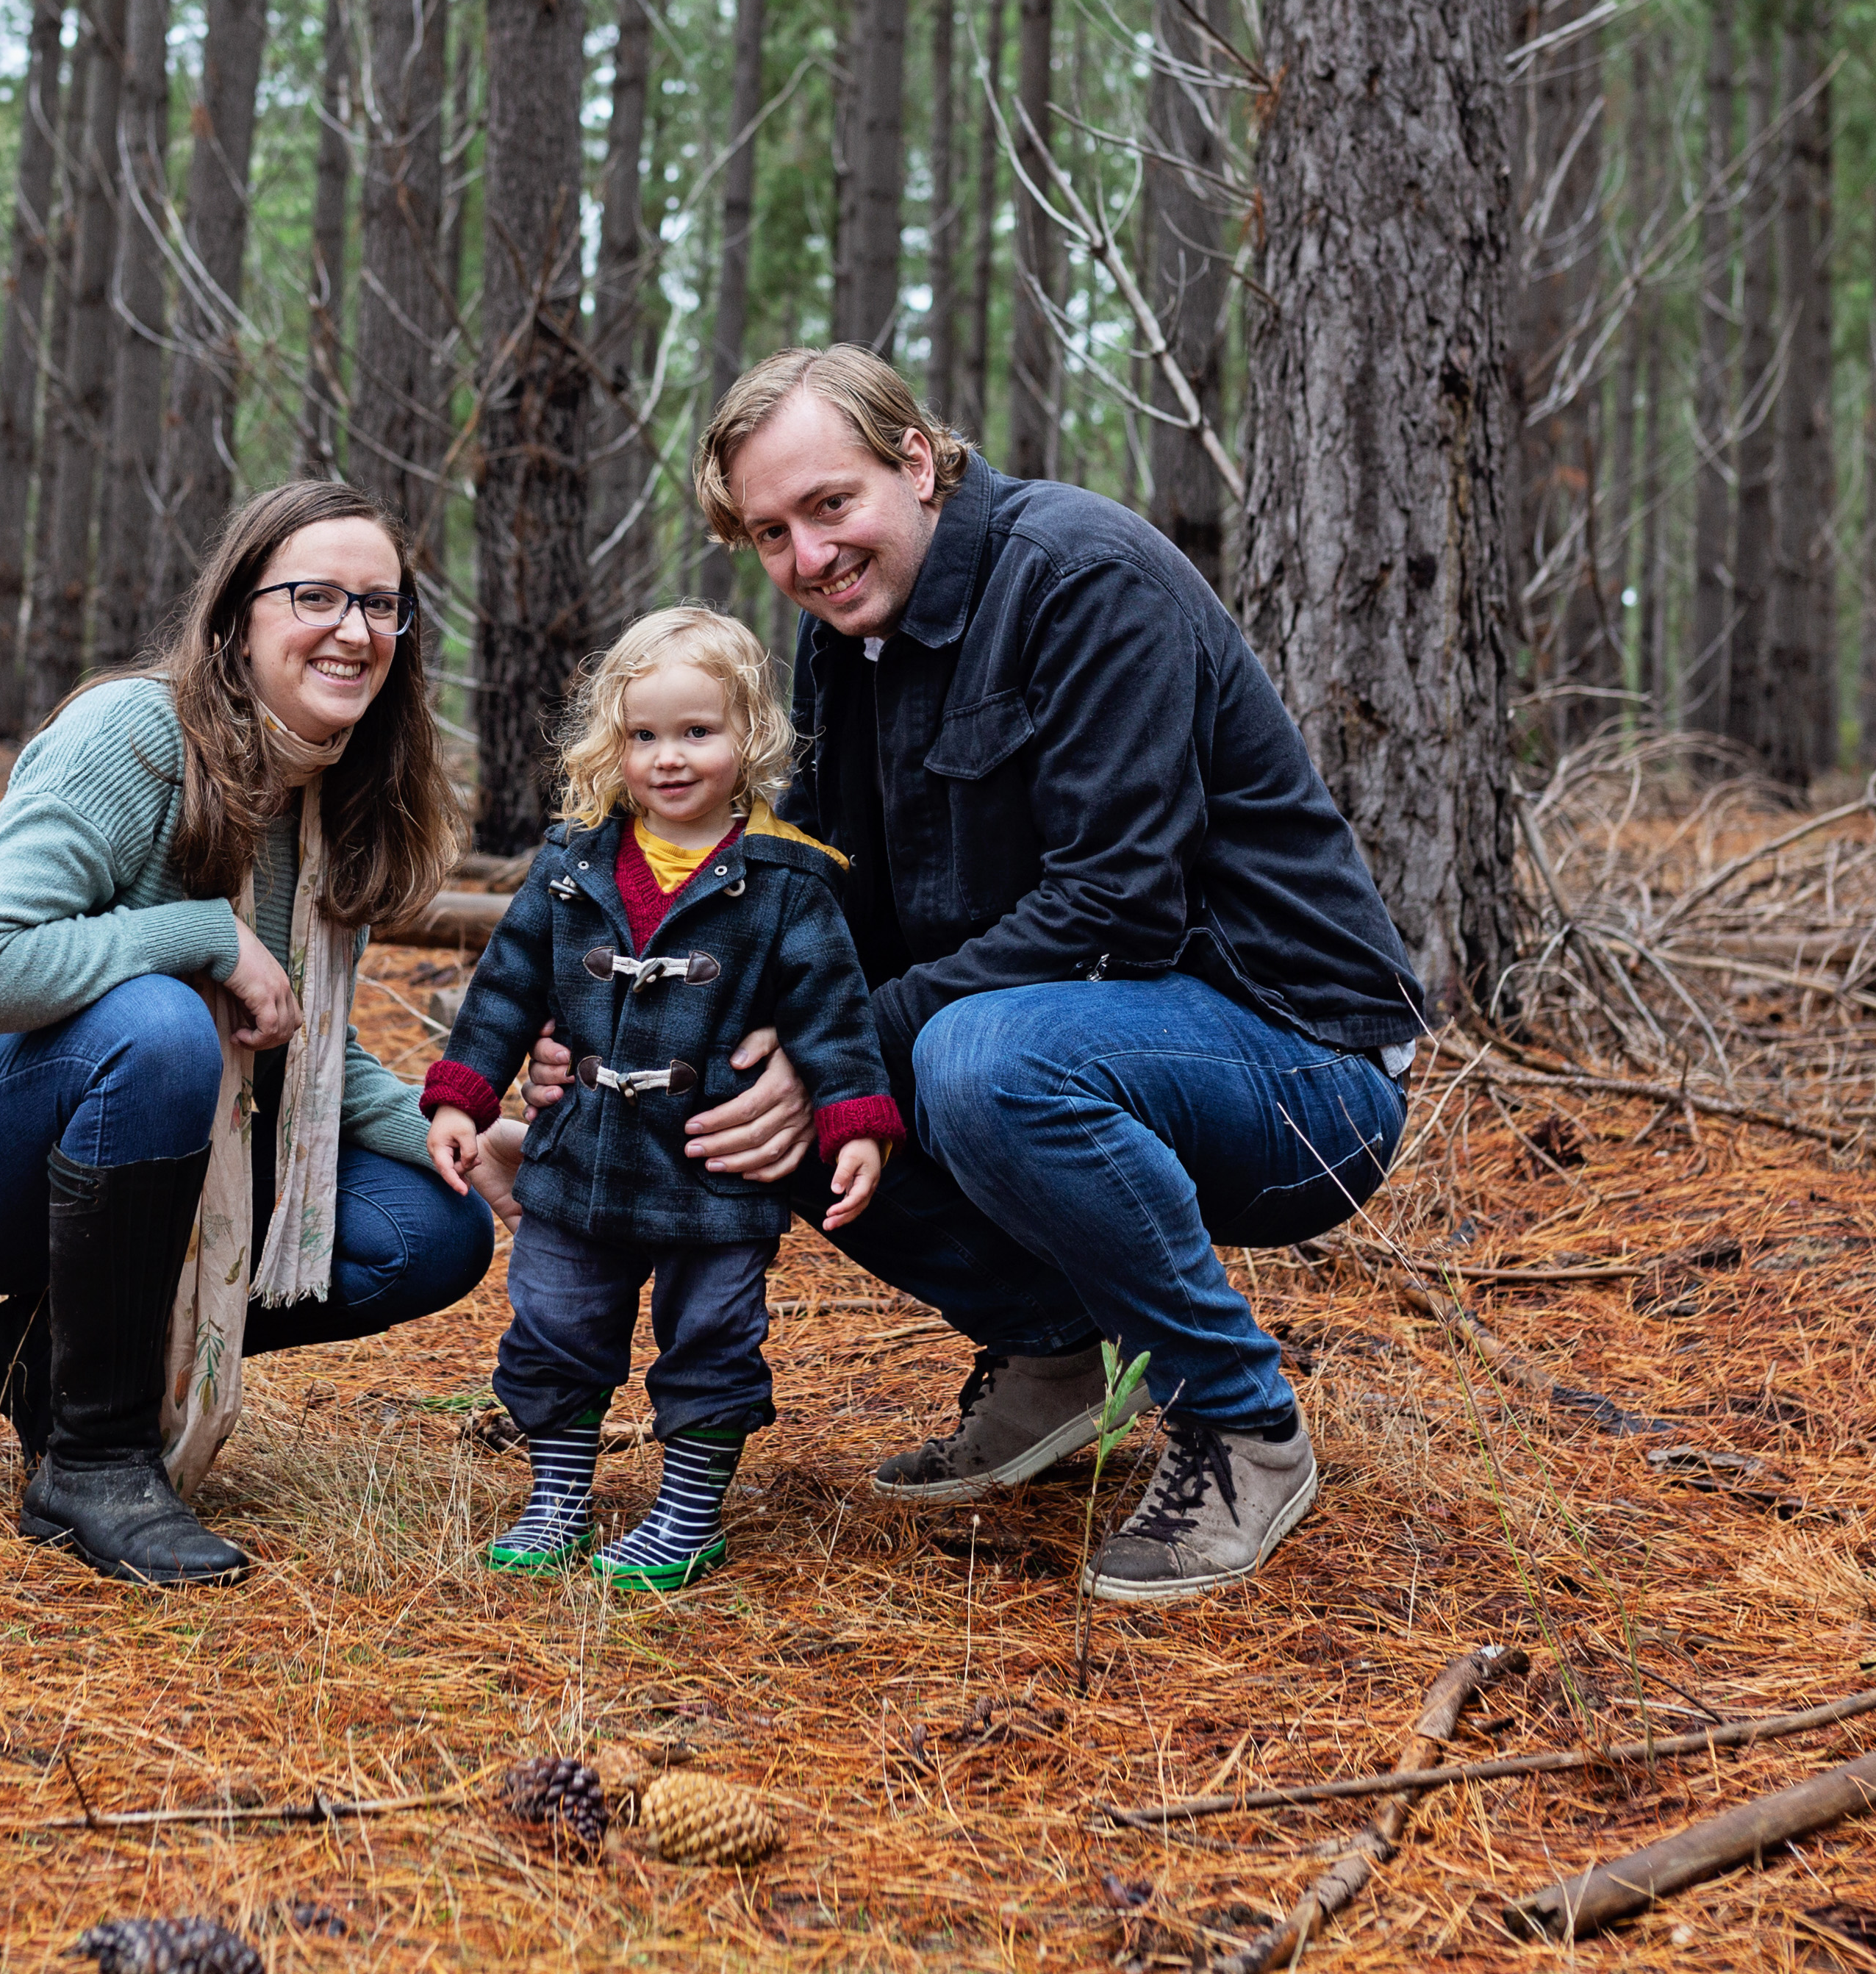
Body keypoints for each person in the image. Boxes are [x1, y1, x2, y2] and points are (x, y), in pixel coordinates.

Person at [495, 348, 1428, 1603]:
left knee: (964, 1061)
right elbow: (802, 908)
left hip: (1297, 1065)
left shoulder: (1084, 579)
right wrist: (616, 1035)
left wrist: (844, 1048)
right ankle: (1052, 1351)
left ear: (918, 462)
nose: (810, 558)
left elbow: (1120, 910)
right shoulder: (848, 646)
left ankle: (1241, 1425)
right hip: (1078, 1036)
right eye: (773, 534)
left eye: (832, 507)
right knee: (754, 1077)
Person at [0, 482, 493, 1587]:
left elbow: (303, 1050)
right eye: (316, 596)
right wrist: (198, 936)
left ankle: (49, 1359)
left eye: (382, 606)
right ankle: (96, 1463)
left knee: (432, 1229)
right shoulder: (134, 736)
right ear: (239, 615)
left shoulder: (330, 791)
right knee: (162, 1029)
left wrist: (458, 1132)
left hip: (108, 1120)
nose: (354, 631)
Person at [421, 607, 899, 1592]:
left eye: (698, 733)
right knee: (552, 1319)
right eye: (645, 735)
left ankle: (687, 1510)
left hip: (717, 1172)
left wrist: (857, 1124)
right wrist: (463, 1096)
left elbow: (834, 1018)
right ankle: (557, 1488)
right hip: (579, 1156)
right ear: (614, 744)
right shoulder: (570, 865)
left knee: (716, 1334)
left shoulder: (786, 882)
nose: (669, 759)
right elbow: (507, 987)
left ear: (750, 738)